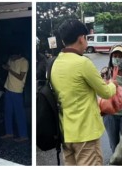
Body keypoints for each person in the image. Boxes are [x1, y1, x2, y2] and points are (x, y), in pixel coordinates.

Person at [50, 19, 117, 165]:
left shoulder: (54, 63)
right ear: (81, 39)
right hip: (85, 135)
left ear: (63, 40)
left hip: (65, 134)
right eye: (86, 39)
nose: (86, 43)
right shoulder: (83, 63)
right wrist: (112, 84)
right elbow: (106, 92)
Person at [1, 49, 29, 142]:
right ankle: (9, 133)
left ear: (19, 54)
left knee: (19, 114)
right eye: (11, 56)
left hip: (17, 90)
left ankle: (23, 135)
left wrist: (9, 69)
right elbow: (8, 67)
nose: (12, 58)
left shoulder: (24, 62)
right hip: (8, 88)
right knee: (7, 112)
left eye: (14, 56)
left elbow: (21, 77)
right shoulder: (11, 59)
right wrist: (5, 67)